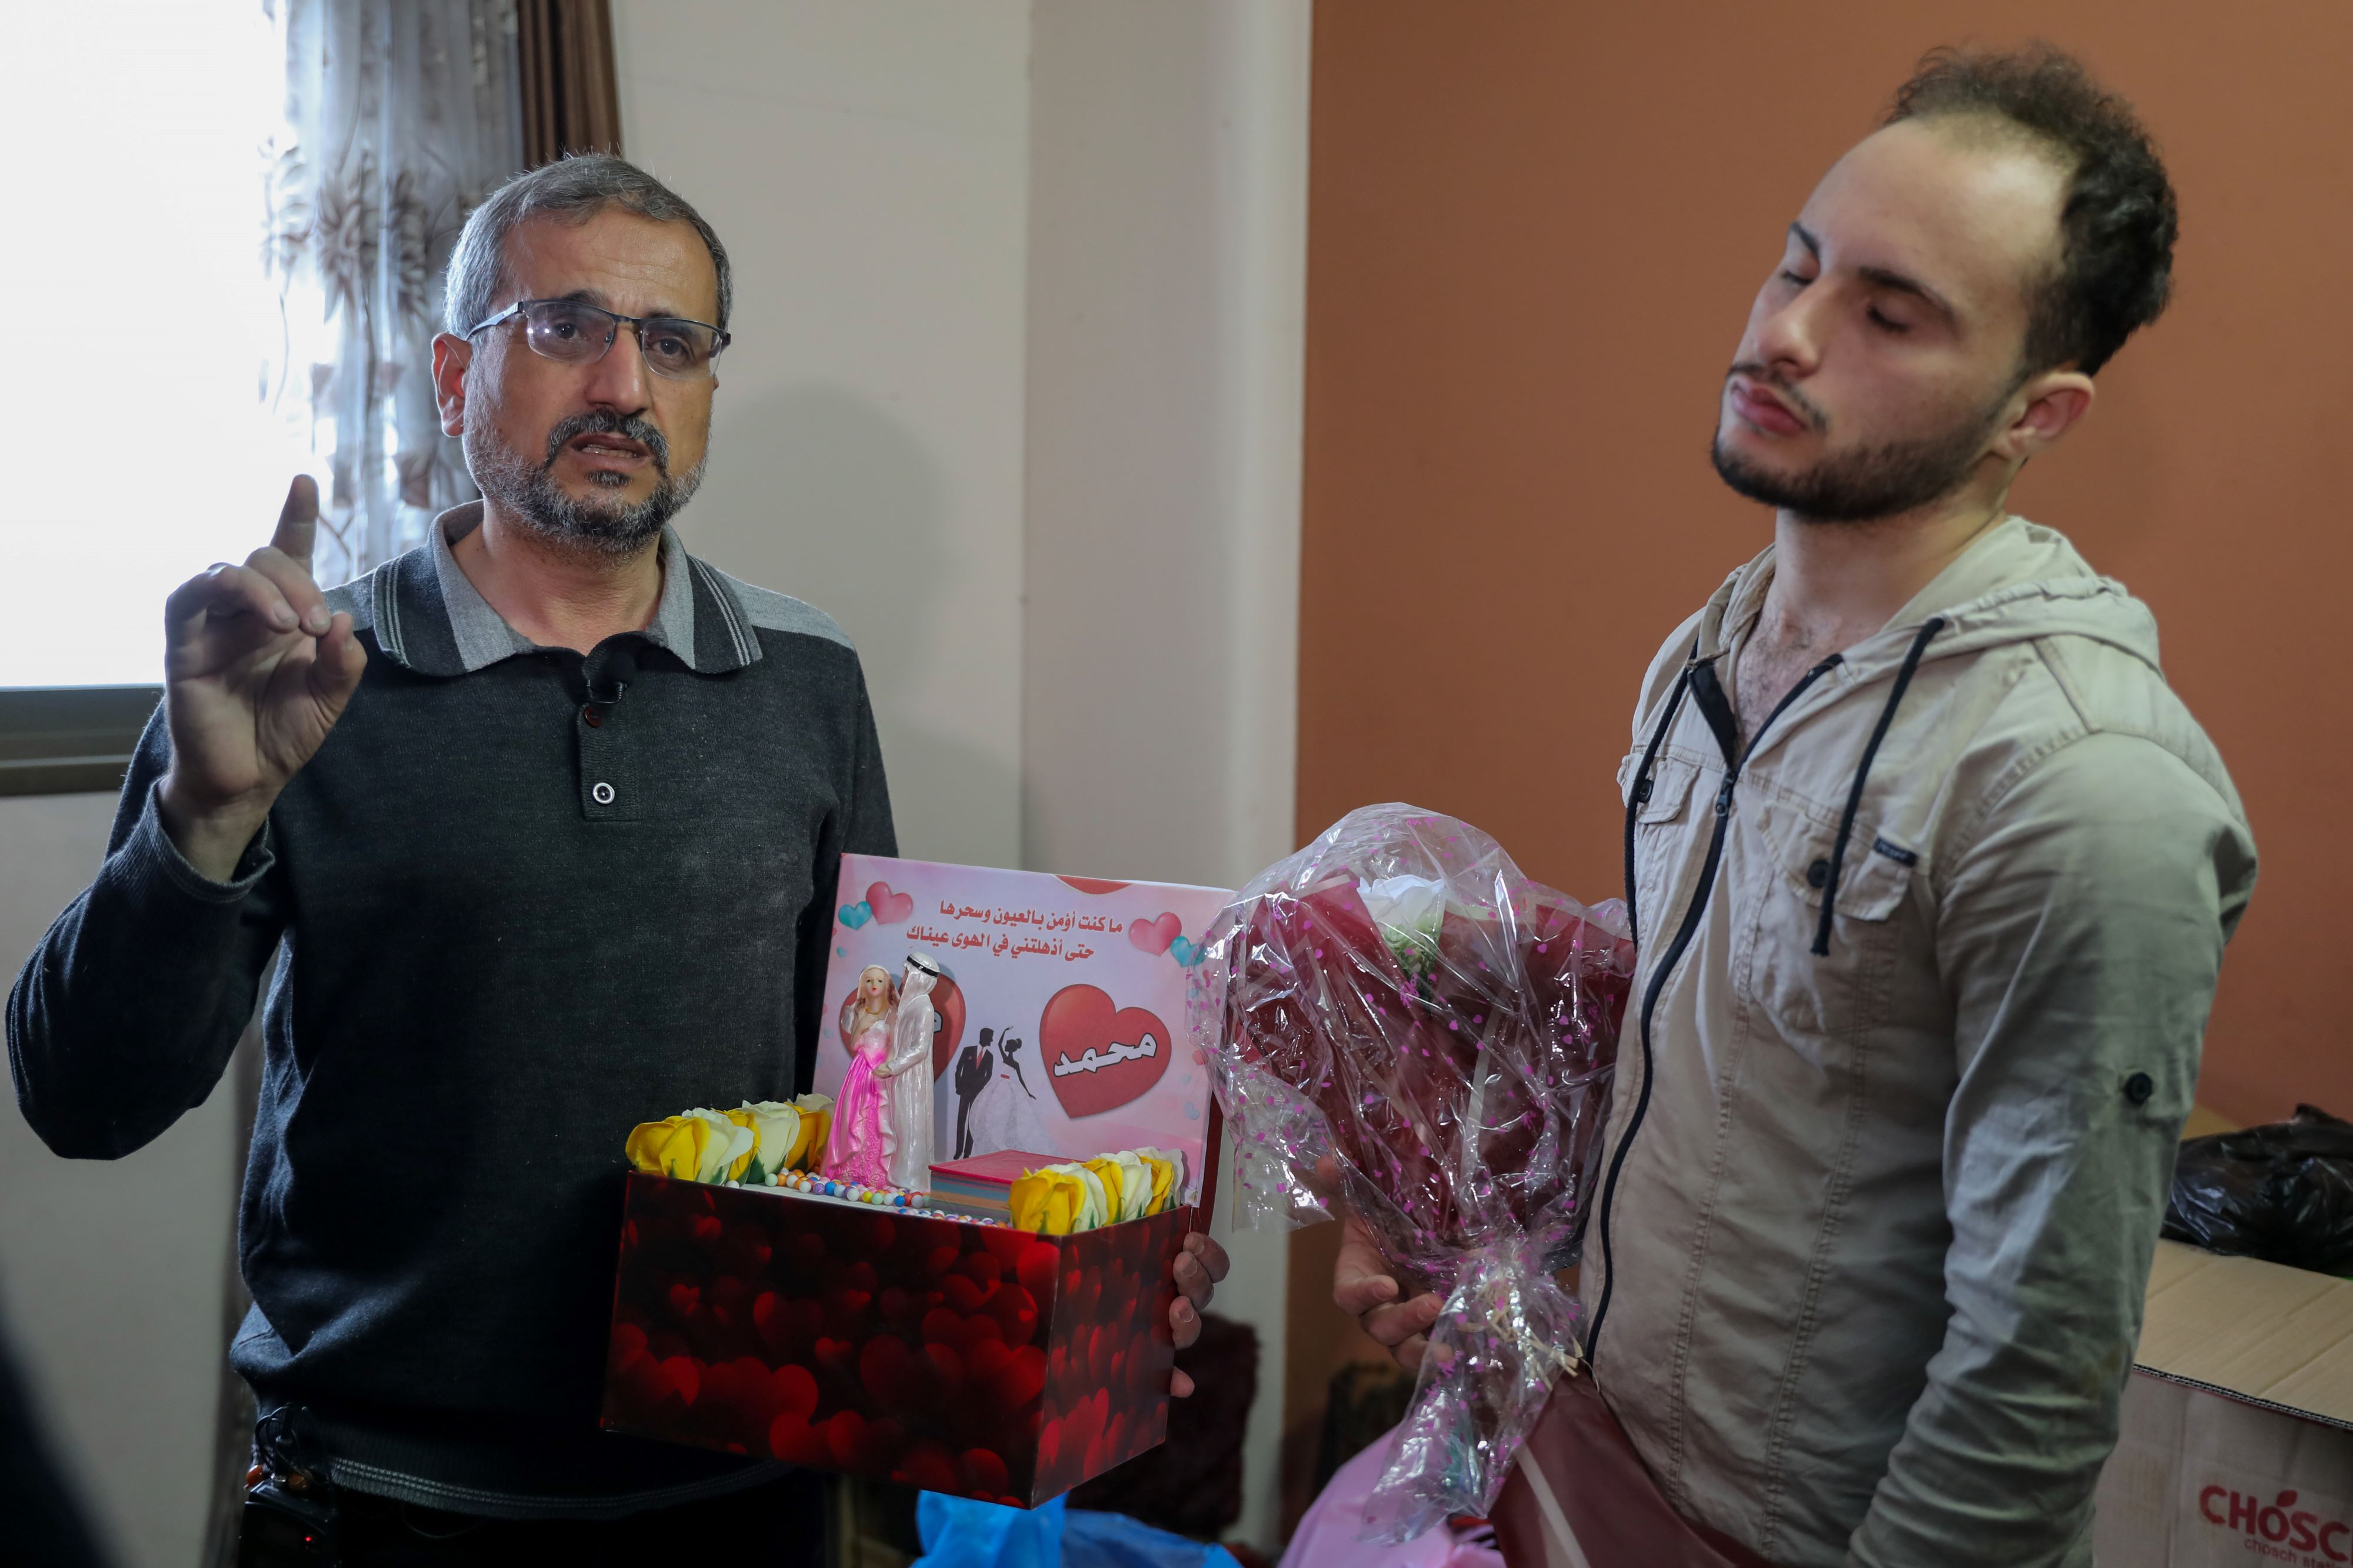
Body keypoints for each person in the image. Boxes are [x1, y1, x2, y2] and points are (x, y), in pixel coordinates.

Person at [7, 153, 1227, 1562]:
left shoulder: (806, 677)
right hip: (383, 1502)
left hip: (751, 1491)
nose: (622, 386)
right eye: (567, 328)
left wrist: (1082, 1261)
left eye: (671, 342)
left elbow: (873, 1097)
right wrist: (202, 814)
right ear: (458, 373)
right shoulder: (293, 674)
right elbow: (81, 1096)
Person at [1334, 45, 2255, 1567]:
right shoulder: (1719, 641)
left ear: (2040, 414)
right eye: (1797, 266)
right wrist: (1455, 1201)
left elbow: (2040, 1359)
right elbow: (1704, 1027)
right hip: (1591, 1447)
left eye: (1888, 314)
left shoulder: (2088, 789)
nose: (1787, 334)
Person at [824, 965, 899, 1185]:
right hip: (860, 1071)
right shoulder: (859, 1012)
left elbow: (894, 1046)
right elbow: (855, 1044)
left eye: (879, 981)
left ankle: (876, 1172)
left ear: (887, 986)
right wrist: (862, 1026)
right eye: (869, 981)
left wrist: (887, 1066)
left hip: (881, 1073)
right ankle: (849, 1169)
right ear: (862, 985)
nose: (874, 985)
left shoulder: (892, 1014)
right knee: (855, 1118)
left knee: (878, 1120)